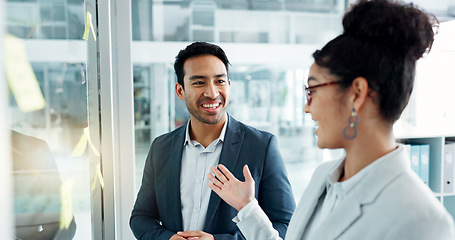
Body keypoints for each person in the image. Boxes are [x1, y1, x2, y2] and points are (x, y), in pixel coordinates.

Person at [207, 0, 455, 239]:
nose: (306, 107)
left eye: (313, 90)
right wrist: (247, 206)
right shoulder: (323, 176)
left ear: (356, 93)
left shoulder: (423, 222)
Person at [130, 42, 296, 240]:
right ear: (180, 91)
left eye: (219, 81)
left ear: (229, 85)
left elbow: (286, 225)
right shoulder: (161, 147)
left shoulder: (261, 146)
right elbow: (141, 217)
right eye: (199, 82)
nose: (212, 92)